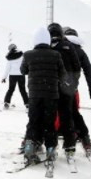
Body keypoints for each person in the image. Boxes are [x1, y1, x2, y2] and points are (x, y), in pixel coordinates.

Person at [20, 27, 67, 164]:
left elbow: (23, 71)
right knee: (49, 123)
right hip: (51, 94)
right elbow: (62, 74)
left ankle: (29, 146)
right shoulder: (56, 55)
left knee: (33, 121)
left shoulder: (28, 55)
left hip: (34, 95)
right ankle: (51, 150)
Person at [47, 22, 81, 159]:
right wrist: (73, 84)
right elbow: (77, 67)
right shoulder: (69, 47)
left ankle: (51, 144)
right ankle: (70, 145)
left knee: (50, 116)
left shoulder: (47, 47)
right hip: (67, 88)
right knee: (67, 116)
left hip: (51, 87)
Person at [63, 27, 91, 154]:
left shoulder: (60, 47)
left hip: (57, 86)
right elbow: (88, 71)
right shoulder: (81, 52)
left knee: (54, 111)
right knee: (74, 112)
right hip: (72, 88)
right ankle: (84, 137)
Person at [1, 43, 29, 110]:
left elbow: (7, 68)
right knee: (23, 90)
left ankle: (6, 103)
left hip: (12, 76)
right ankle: (28, 104)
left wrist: (4, 77)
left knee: (11, 89)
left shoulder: (10, 57)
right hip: (21, 75)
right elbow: (25, 65)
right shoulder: (22, 55)